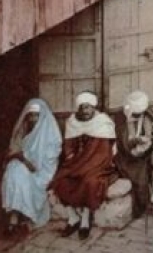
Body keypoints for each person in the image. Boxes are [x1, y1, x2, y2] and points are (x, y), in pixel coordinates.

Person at [50, 91, 117, 240]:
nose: (85, 111)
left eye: (88, 107)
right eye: (82, 107)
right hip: (76, 163)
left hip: (98, 165)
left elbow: (104, 152)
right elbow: (68, 146)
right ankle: (73, 218)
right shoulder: (72, 122)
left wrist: (86, 166)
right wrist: (71, 157)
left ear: (94, 108)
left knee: (89, 181)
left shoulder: (102, 122)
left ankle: (85, 220)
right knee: (61, 180)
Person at [1, 98, 62, 233]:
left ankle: (24, 217)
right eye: (31, 116)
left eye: (36, 116)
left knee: (21, 175)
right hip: (23, 164)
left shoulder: (51, 133)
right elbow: (12, 152)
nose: (33, 119)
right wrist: (22, 159)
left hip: (42, 171)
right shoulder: (23, 129)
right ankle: (15, 217)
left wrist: (29, 160)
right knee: (14, 171)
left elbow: (48, 160)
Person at [113, 90, 153, 219]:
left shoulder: (148, 114)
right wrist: (134, 144)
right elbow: (120, 144)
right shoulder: (119, 119)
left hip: (147, 148)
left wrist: (151, 138)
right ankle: (146, 202)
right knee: (139, 172)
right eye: (135, 114)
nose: (138, 115)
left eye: (140, 113)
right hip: (128, 155)